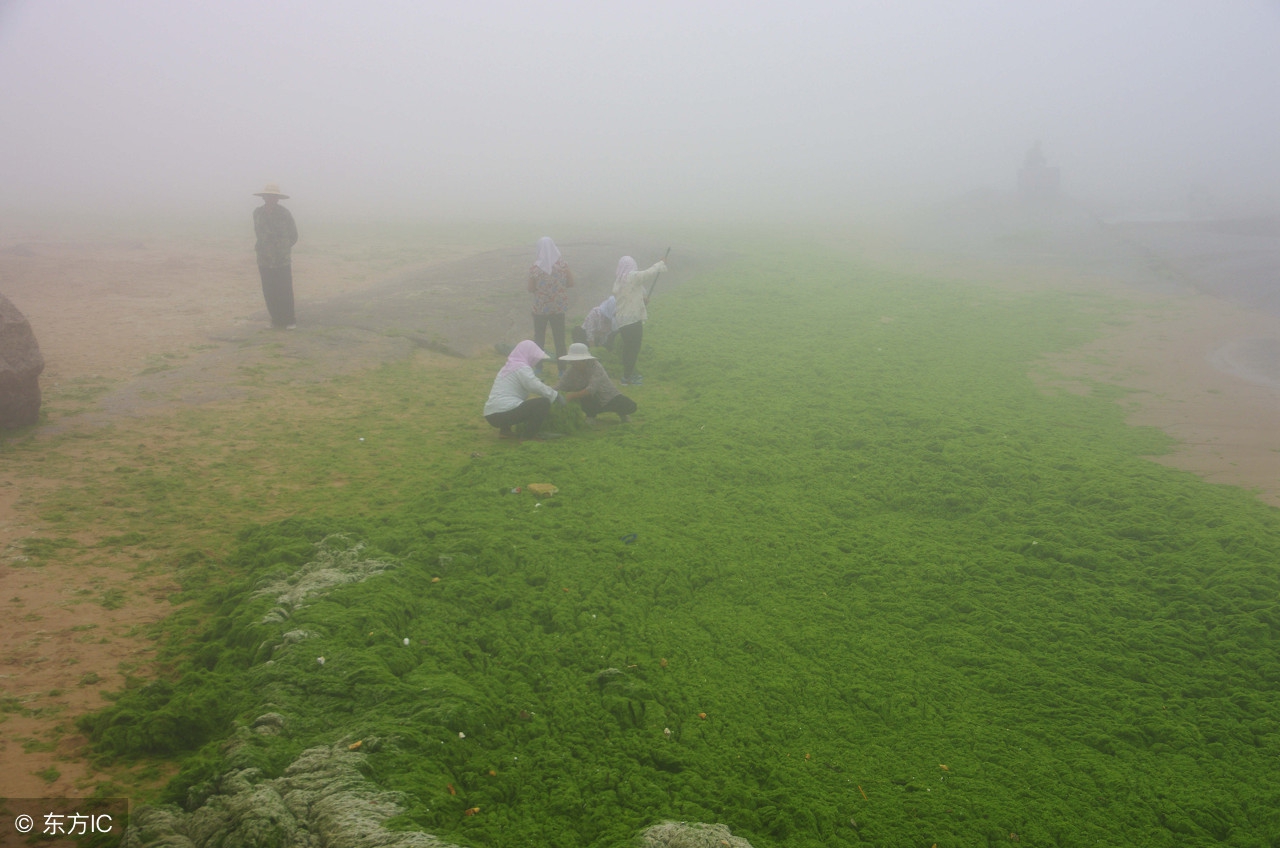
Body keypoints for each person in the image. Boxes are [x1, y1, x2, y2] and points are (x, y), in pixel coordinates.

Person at [483, 340, 566, 440]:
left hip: (491, 414)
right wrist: (555, 395)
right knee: (543, 403)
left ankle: (505, 431)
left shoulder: (508, 367)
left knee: (510, 401)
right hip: (503, 413)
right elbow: (533, 385)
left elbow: (525, 383)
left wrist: (539, 381)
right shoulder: (521, 368)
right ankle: (529, 436)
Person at [611, 255, 667, 385]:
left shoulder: (619, 281)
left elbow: (629, 298)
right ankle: (628, 377)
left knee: (628, 348)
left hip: (622, 321)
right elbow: (648, 273)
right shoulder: (632, 277)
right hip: (633, 320)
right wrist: (660, 263)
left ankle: (627, 375)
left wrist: (642, 300)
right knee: (634, 348)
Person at [252, 183, 299, 329]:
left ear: (277, 198)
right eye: (268, 196)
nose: (271, 199)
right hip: (264, 259)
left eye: (274, 196)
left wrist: (282, 248)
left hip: (281, 259)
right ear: (264, 197)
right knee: (269, 290)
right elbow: (258, 232)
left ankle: (289, 320)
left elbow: (293, 235)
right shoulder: (257, 213)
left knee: (284, 289)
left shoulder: (284, 213)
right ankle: (276, 319)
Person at [556, 342, 636, 424]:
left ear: (584, 360)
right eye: (572, 362)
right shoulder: (571, 371)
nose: (573, 364)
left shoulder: (596, 367)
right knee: (584, 396)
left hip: (608, 397)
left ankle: (622, 413)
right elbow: (560, 386)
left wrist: (572, 395)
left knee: (630, 406)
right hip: (590, 400)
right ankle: (590, 415)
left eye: (576, 361)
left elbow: (591, 389)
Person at [527, 237, 574, 368]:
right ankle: (562, 370)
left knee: (539, 339)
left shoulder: (535, 268)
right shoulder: (563, 265)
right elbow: (571, 283)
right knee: (560, 339)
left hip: (540, 309)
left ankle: (538, 368)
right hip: (558, 308)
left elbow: (530, 288)